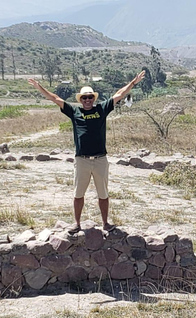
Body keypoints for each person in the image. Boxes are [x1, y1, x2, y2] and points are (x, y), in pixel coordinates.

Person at [28, 70, 145, 234]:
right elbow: (55, 98)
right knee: (78, 194)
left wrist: (133, 82)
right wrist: (39, 87)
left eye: (90, 97)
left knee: (103, 194)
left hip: (100, 159)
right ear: (80, 100)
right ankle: (76, 224)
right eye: (84, 98)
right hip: (82, 159)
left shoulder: (102, 109)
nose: (88, 100)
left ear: (94, 98)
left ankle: (105, 223)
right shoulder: (74, 111)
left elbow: (119, 94)